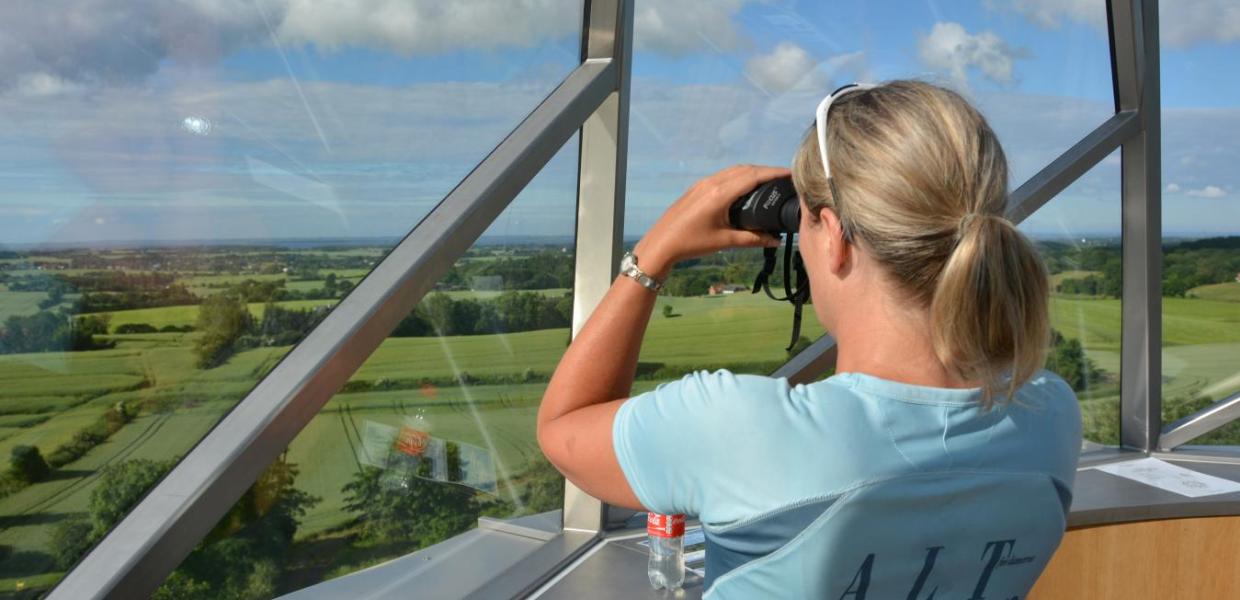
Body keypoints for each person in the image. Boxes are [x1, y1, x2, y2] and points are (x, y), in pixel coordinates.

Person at [537, 80, 1082, 598]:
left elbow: (563, 428)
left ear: (837, 239)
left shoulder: (740, 429)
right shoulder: (1048, 412)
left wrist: (652, 254)